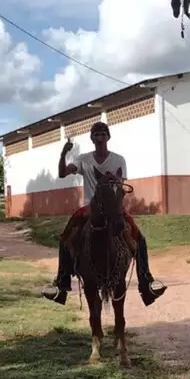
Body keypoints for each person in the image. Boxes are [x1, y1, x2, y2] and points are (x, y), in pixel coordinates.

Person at [41, 121, 167, 306]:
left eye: (103, 134)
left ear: (108, 137)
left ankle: (146, 283)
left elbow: (120, 187)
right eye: (96, 135)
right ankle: (62, 283)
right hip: (89, 206)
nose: (100, 138)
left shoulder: (119, 160)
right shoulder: (83, 159)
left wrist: (114, 192)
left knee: (139, 239)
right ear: (92, 138)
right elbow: (62, 174)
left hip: (113, 207)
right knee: (65, 237)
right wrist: (63, 154)